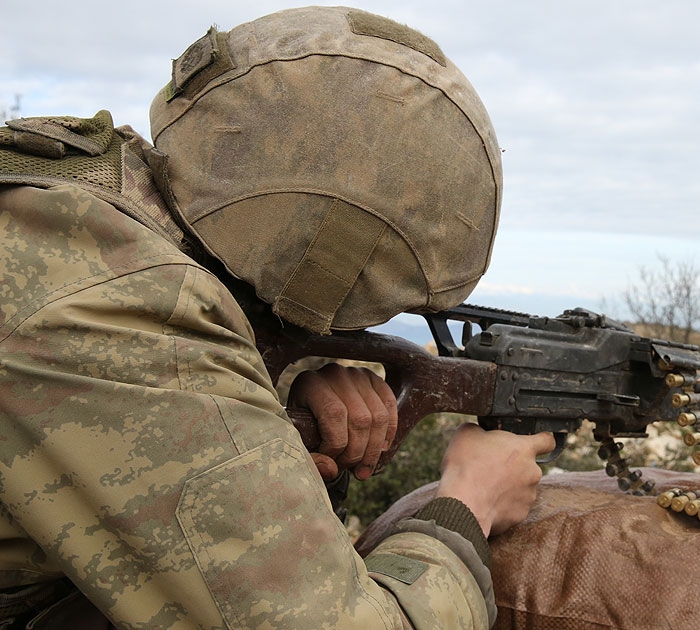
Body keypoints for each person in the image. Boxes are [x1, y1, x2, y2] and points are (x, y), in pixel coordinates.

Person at [0, 6, 552, 628]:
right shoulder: (125, 311)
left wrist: (266, 410)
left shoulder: (79, 197)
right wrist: (469, 503)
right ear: (326, 260)